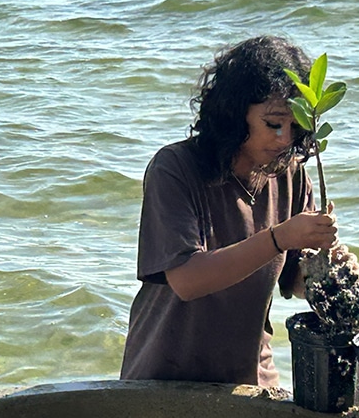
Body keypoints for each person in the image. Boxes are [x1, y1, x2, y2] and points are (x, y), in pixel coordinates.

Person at [120, 34, 338, 387]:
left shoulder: (291, 176)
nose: (285, 139)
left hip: (250, 378)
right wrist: (280, 237)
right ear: (235, 112)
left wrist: (330, 272)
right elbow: (187, 280)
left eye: (296, 126)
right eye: (273, 123)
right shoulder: (175, 169)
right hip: (164, 379)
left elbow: (295, 279)